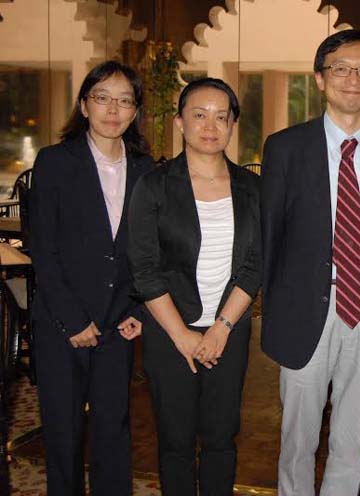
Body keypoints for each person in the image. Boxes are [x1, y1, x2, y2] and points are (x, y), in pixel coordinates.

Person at [261, 29, 360, 495]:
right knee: (297, 439)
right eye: (341, 68)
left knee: (353, 439)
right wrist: (271, 312)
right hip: (305, 307)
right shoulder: (285, 148)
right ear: (320, 79)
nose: (353, 79)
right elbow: (270, 237)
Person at [128, 77, 261, 495]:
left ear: (233, 124)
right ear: (180, 122)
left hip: (230, 330)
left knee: (222, 438)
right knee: (175, 442)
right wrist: (182, 336)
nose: (210, 125)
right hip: (170, 332)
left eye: (221, 117)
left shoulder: (253, 187)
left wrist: (221, 328)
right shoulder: (154, 184)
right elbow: (146, 269)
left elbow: (255, 264)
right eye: (198, 114)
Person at [30, 60, 152, 495]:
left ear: (135, 111)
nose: (113, 110)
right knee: (63, 435)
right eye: (102, 98)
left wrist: (138, 307)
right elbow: (43, 249)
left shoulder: (145, 169)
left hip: (118, 322)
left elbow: (146, 250)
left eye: (125, 100)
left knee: (113, 432)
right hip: (62, 323)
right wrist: (72, 321)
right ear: (84, 105)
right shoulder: (54, 162)